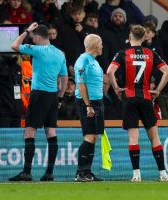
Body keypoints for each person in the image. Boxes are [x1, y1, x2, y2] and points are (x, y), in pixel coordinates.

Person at [107, 25, 168, 182]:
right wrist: (157, 90)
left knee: (133, 138)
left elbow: (110, 71)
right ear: (145, 38)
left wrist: (117, 88)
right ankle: (163, 174)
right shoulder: (151, 53)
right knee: (154, 138)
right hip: (146, 98)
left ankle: (136, 174)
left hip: (129, 99)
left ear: (130, 37)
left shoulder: (123, 53)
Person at [8, 22, 68, 181]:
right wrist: (60, 97)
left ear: (39, 37)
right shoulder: (59, 53)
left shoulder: (38, 50)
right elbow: (64, 78)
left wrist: (27, 31)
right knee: (51, 132)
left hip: (39, 95)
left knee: (30, 131)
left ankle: (27, 172)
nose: (32, 40)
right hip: (53, 96)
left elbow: (14, 45)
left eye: (33, 38)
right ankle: (49, 173)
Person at [74, 34, 104, 182]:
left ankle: (87, 172)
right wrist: (88, 105)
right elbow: (80, 84)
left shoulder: (94, 61)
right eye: (101, 44)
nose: (102, 46)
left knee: (94, 137)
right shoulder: (83, 60)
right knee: (89, 136)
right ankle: (79, 172)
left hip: (97, 102)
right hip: (87, 103)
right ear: (94, 45)